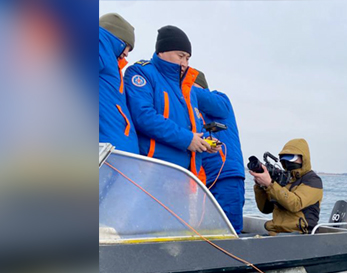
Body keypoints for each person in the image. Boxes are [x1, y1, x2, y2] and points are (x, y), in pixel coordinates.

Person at [123, 25, 226, 182]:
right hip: (152, 172)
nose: (185, 63)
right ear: (162, 51)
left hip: (185, 177)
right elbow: (143, 116)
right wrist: (187, 140)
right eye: (181, 56)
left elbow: (194, 128)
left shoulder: (188, 89)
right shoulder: (141, 72)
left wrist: (205, 141)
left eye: (188, 58)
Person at [193, 72, 245, 233]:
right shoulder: (191, 113)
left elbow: (215, 105)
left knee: (229, 229)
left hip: (226, 176)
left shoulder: (220, 99)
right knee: (207, 230)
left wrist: (181, 87)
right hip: (204, 181)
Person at [251, 139, 323, 235]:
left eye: (291, 157)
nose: (288, 161)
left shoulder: (313, 180)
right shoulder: (284, 179)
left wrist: (270, 184)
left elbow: (295, 204)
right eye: (285, 158)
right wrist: (260, 186)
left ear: (303, 158)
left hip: (299, 234)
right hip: (276, 232)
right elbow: (265, 209)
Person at [99, 13, 139, 153]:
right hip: (105, 150)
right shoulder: (99, 44)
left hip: (112, 150)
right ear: (118, 40)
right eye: (128, 47)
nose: (127, 54)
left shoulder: (109, 58)